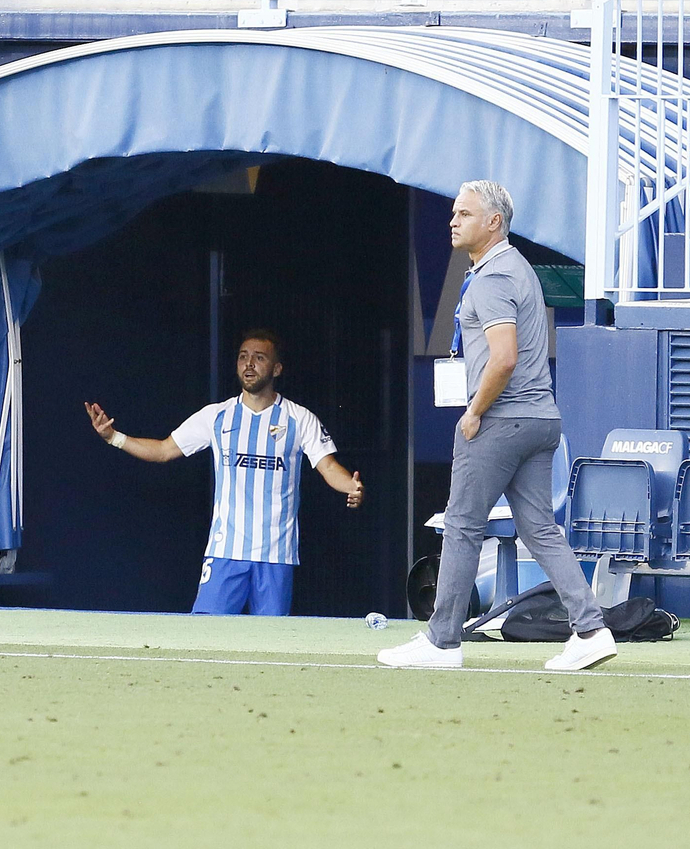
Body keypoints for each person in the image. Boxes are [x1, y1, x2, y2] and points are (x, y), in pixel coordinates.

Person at [379, 181, 615, 672]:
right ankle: (591, 629)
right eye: (453, 213)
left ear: (493, 222)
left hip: (502, 420)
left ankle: (442, 641)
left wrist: (474, 411)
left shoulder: (490, 279)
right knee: (541, 529)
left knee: (462, 527)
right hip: (540, 417)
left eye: (464, 213)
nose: (453, 220)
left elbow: (503, 358)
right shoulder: (517, 268)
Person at [85, 330, 364, 616]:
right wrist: (113, 438)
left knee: (270, 644)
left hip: (276, 556)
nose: (249, 364)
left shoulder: (299, 418)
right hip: (225, 553)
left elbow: (327, 466)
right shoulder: (217, 416)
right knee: (205, 637)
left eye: (259, 357)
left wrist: (350, 487)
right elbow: (163, 450)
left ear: (277, 369)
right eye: (243, 357)